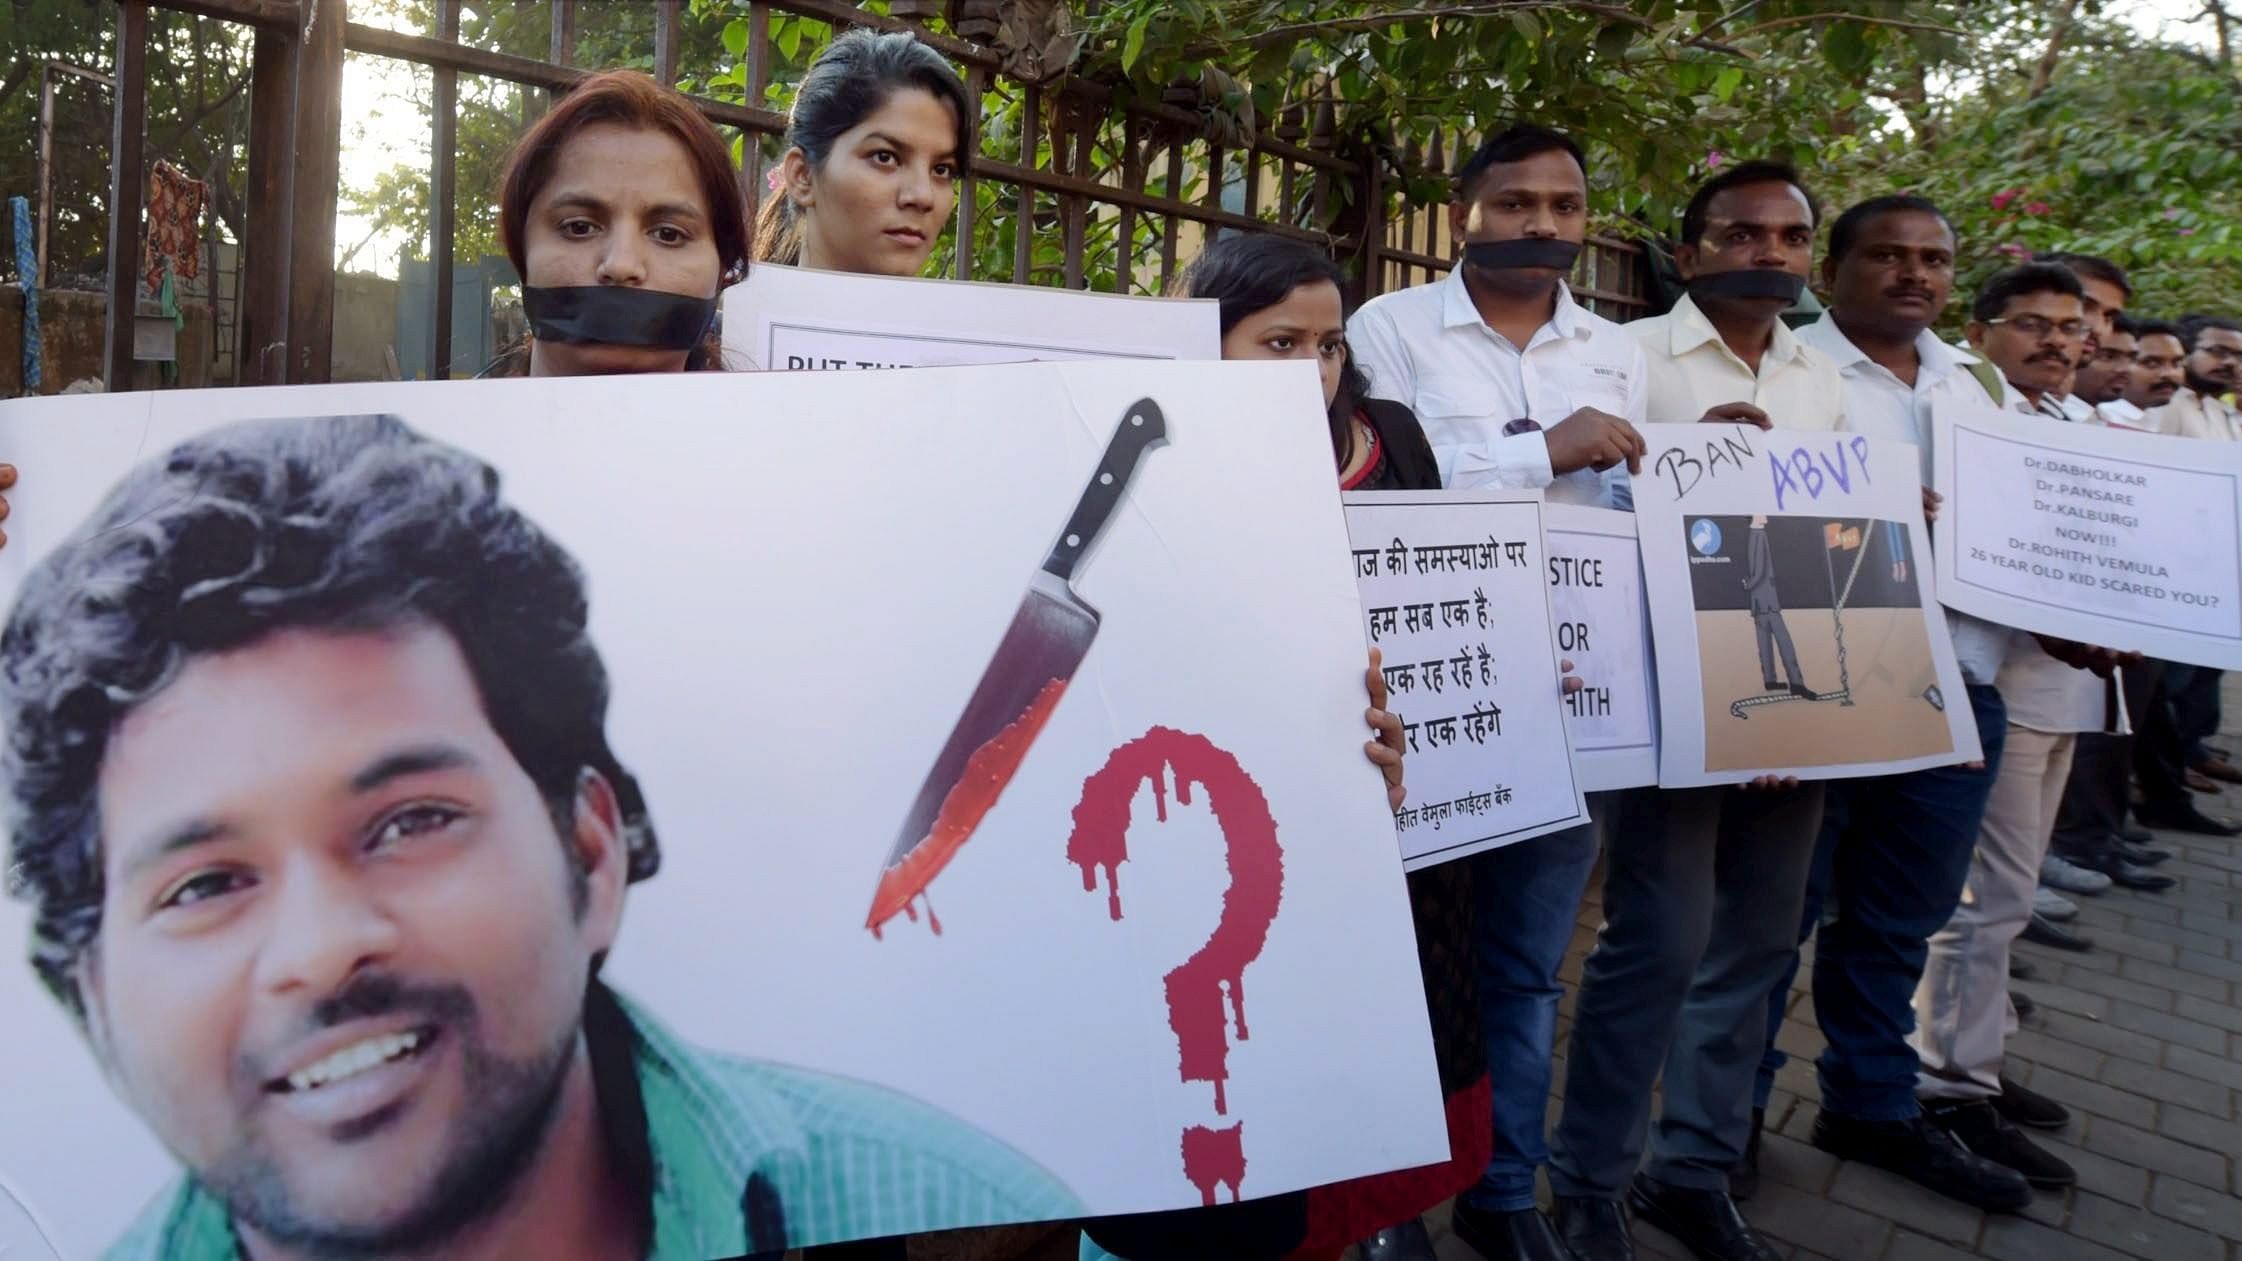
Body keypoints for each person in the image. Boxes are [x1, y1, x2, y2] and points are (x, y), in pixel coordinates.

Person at [0, 414, 1085, 1261]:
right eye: (204, 883)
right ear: (87, 995)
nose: (323, 950)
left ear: (591, 851)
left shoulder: (960, 1203)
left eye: (410, 820)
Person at [1073, 234, 1486, 1261]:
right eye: (1279, 342)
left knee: (1352, 1061)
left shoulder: (1388, 439)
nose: (1312, 370)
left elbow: (1438, 598)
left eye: (1331, 344)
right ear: (1204, 346)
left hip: (1369, 828)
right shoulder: (1147, 469)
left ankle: (1359, 1210)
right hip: (1214, 842)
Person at [1346, 124, 1664, 1261]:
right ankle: (1389, 1209)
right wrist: (1545, 448)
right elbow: (1385, 478)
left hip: (1565, 706)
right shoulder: (1386, 330)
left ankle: (1502, 1191)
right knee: (1405, 958)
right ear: (1462, 208)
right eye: (1517, 202)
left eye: (1565, 205)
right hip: (1426, 688)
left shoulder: (1619, 351)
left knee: (1527, 965)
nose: (1544, 224)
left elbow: (1636, 514)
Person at [1548, 160, 1836, 1261]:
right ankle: (1586, 1177)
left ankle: (1696, 1169)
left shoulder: (1821, 377)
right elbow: (1593, 519)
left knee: (1760, 946)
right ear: (1688, 251)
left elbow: (1833, 539)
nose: (1767, 253)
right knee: (1656, 944)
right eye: (1739, 234)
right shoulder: (1630, 362)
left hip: (1801, 701)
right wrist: (1686, 462)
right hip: (1673, 702)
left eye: (1789, 236)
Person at [1745, 195, 2042, 1217]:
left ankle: (1868, 1105)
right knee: (1771, 921)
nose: (1913, 274)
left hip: (1960, 689)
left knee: (1896, 923)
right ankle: (1722, 1126)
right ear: (1834, 267)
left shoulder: (1980, 383)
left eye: (1933, 259)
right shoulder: (1791, 373)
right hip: (1828, 694)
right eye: (1886, 255)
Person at [1914, 262, 2134, 1194]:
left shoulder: (2075, 424)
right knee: (1985, 895)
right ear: (1983, 329)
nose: (2056, 341)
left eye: (2070, 327)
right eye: (2032, 324)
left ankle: (1982, 1058)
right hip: (1987, 673)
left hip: (2063, 683)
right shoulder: (1964, 412)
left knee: (2009, 887)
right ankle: (1947, 1083)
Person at [484, 69, 751, 377]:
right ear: (522, 252)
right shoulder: (434, 424)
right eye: (579, 227)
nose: (621, 266)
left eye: (668, 234)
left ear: (722, 270)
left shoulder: (775, 424)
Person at [752, 28, 970, 277]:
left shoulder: (977, 317)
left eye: (942, 170)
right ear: (803, 175)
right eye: (885, 157)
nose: (923, 196)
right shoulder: (737, 316)